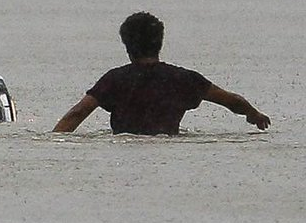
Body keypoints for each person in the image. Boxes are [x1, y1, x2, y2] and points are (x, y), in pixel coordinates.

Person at [54, 11, 271, 135]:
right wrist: (253, 114)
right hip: (169, 143)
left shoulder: (115, 79)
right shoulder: (184, 79)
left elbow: (78, 113)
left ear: (127, 46)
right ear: (160, 43)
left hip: (124, 148)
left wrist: (54, 140)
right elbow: (231, 100)